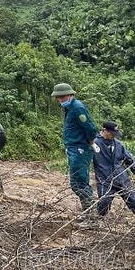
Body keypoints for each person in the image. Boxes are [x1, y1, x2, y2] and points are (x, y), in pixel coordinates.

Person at [51, 83, 98, 224]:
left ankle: (91, 218)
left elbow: (90, 128)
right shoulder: (69, 108)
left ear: (70, 95)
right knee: (75, 183)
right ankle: (87, 212)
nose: (60, 100)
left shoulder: (78, 107)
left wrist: (90, 142)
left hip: (80, 149)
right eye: (58, 97)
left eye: (63, 97)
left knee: (81, 182)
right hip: (73, 148)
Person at [93, 121, 135, 216]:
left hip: (121, 178)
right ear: (105, 131)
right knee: (103, 203)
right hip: (104, 179)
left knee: (132, 199)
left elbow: (130, 160)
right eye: (112, 133)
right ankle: (99, 220)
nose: (114, 136)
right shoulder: (95, 143)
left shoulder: (118, 145)